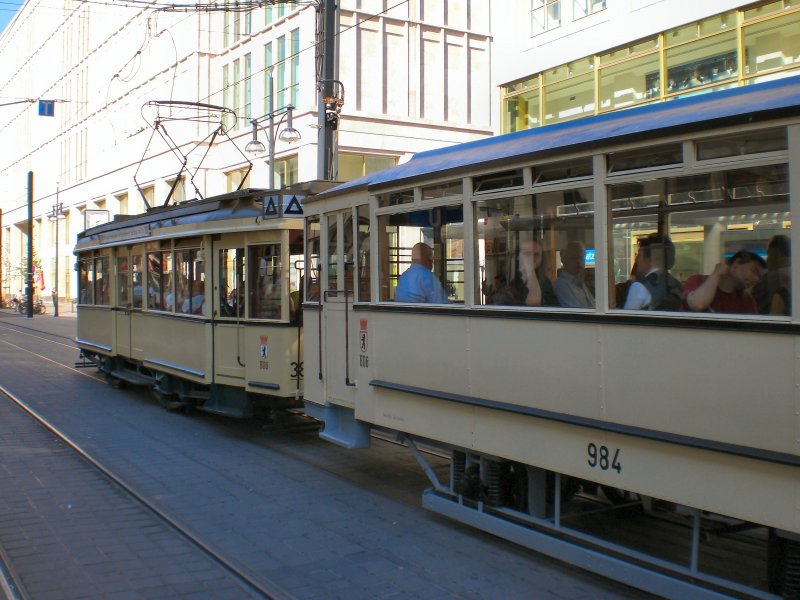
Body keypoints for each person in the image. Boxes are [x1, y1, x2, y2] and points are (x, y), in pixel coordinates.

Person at [682, 250, 761, 314]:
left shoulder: (747, 300)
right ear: (737, 263)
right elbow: (698, 304)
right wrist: (716, 274)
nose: (756, 279)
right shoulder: (697, 280)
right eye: (754, 271)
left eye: (759, 276)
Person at [623, 233, 682, 311]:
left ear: (650, 260)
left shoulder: (639, 287)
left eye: (639, 255)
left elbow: (627, 320)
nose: (636, 260)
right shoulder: (676, 284)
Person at [504, 237, 559, 307]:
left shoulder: (545, 282)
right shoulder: (511, 282)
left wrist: (530, 272)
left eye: (536, 255)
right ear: (518, 256)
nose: (532, 258)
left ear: (541, 259)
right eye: (527, 254)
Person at [752, 234, 790, 315]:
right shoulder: (795, 275)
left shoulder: (769, 279)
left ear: (775, 253)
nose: (767, 260)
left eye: (768, 254)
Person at [553, 241, 594, 308]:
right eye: (574, 258)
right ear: (563, 260)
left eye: (582, 258)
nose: (579, 262)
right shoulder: (561, 286)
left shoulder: (580, 282)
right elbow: (578, 313)